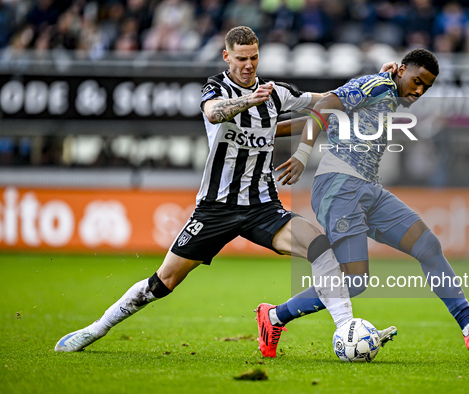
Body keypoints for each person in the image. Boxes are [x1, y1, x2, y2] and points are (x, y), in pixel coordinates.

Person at [54, 26, 369, 358]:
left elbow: (322, 101)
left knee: (320, 246)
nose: (248, 65)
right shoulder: (215, 88)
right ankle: (95, 329)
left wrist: (366, 91)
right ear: (227, 57)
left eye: (254, 58)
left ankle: (345, 330)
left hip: (262, 206)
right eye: (241, 58)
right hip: (215, 208)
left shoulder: (277, 93)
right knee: (164, 282)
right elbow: (213, 112)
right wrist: (249, 98)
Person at [266, 48, 469, 353]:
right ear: (402, 71)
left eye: (427, 86)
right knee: (355, 281)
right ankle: (274, 316)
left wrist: (264, 134)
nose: (420, 89)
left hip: (369, 190)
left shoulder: (387, 91)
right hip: (340, 187)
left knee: (428, 246)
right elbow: (328, 104)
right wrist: (302, 154)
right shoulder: (379, 86)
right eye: (417, 80)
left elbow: (327, 118)